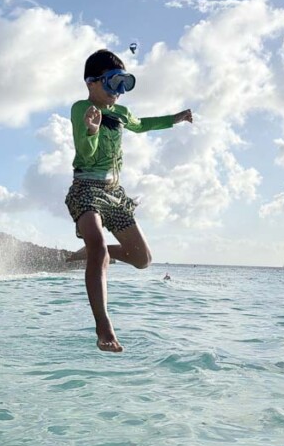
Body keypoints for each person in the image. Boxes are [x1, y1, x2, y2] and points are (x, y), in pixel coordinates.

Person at [65, 49, 193, 352]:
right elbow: (85, 151)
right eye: (112, 84)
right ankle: (103, 326)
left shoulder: (120, 113)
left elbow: (141, 124)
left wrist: (174, 119)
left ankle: (96, 250)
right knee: (98, 248)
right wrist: (93, 130)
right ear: (92, 83)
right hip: (86, 188)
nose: (118, 93)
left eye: (124, 85)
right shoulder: (82, 108)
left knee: (142, 259)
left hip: (116, 194)